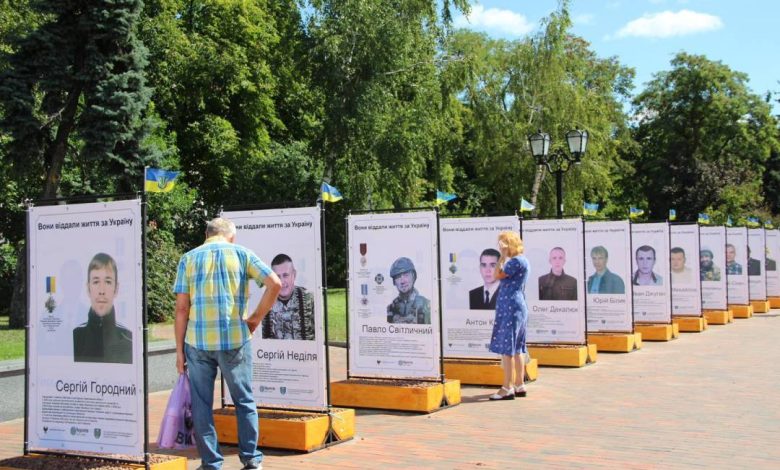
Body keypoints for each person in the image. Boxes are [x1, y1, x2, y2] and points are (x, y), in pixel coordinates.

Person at [174, 218, 282, 470]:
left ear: (206, 234)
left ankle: (211, 463)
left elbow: (181, 308)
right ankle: (251, 459)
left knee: (202, 404)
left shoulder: (188, 259)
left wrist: (179, 352)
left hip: (197, 342)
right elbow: (275, 284)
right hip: (235, 339)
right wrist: (254, 319)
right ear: (231, 237)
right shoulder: (242, 254)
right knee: (243, 400)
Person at [488, 231, 530, 401]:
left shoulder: (514, 262)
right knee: (518, 347)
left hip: (510, 306)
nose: (500, 247)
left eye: (502, 244)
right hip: (518, 305)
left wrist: (501, 258)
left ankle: (507, 387)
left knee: (508, 348)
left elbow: (496, 275)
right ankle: (520, 384)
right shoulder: (523, 260)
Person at [73, 253, 132, 364]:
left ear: (116, 289)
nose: (102, 290)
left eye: (108, 282)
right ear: (88, 288)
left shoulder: (128, 338)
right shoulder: (75, 337)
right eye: (96, 282)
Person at [261, 254, 315, 340]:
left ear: (294, 275)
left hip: (302, 353)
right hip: (275, 353)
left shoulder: (309, 299)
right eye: (277, 277)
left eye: (285, 275)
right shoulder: (264, 303)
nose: (282, 282)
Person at [386, 257, 431, 324]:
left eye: (406, 275)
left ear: (414, 276)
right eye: (398, 277)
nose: (402, 281)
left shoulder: (425, 305)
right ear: (394, 282)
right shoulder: (391, 308)